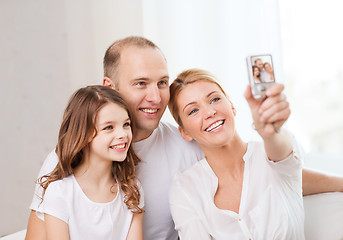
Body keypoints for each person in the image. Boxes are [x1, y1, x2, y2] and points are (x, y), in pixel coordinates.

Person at [26, 36, 343, 240]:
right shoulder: (68, 157)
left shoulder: (187, 146)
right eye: (140, 83)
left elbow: (267, 172)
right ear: (109, 86)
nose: (155, 96)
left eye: (162, 82)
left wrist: (336, 181)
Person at [168, 69, 304, 239]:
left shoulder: (271, 156)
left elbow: (282, 151)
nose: (210, 112)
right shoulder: (185, 187)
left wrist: (270, 132)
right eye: (193, 111)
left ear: (231, 106)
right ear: (185, 132)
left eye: (215, 99)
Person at [35, 85, 144, 240]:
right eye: (108, 127)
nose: (122, 134)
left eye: (126, 124)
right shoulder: (60, 193)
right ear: (83, 134)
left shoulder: (131, 189)